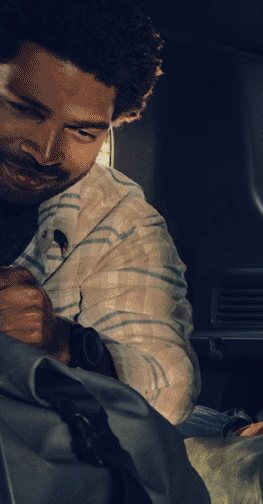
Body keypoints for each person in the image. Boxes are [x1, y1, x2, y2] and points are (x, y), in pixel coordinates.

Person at [0, 0, 200, 427]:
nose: (45, 149)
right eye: (22, 109)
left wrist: (65, 344)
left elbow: (169, 389)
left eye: (82, 131)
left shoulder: (115, 216)